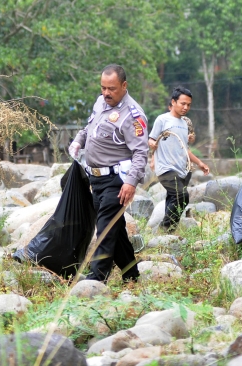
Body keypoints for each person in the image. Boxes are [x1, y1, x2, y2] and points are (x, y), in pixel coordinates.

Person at [68, 64, 148, 283]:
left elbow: (141, 152)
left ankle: (97, 277)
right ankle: (131, 274)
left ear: (124, 86)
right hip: (97, 178)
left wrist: (131, 183)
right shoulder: (100, 102)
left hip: (117, 180)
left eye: (111, 88)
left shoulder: (133, 115)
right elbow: (89, 128)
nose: (106, 93)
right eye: (103, 87)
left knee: (104, 228)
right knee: (116, 229)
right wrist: (78, 141)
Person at [149, 86, 210, 232]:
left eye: (188, 105)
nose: (186, 107)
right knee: (182, 196)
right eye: (183, 103)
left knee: (174, 200)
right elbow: (151, 139)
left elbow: (185, 149)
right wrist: (152, 144)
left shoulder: (185, 123)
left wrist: (200, 163)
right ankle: (164, 229)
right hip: (166, 168)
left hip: (182, 169)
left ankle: (167, 234)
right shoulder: (162, 120)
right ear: (174, 102)